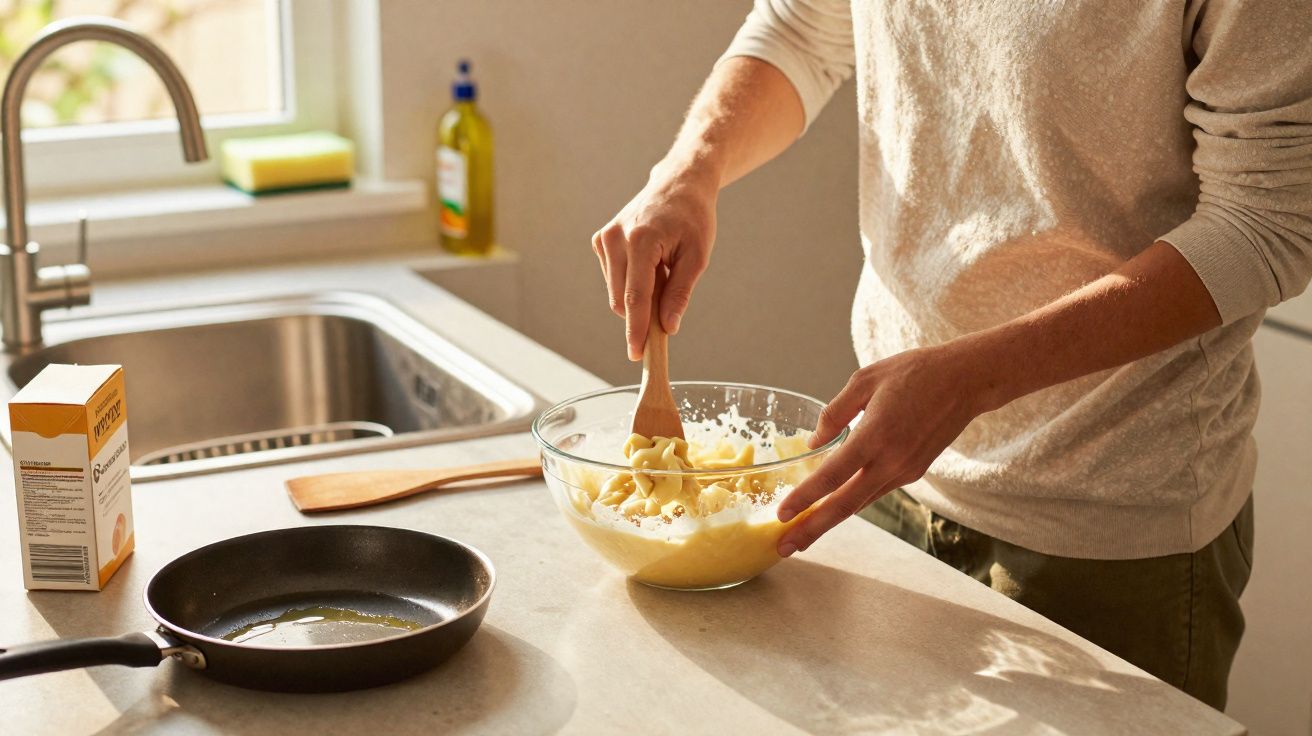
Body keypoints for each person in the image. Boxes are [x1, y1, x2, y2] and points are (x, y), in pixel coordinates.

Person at [592, 0, 1311, 710]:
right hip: (883, 474)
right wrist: (690, 168)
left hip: (1107, 524)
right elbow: (803, 30)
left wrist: (974, 379)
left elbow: (1268, 221)